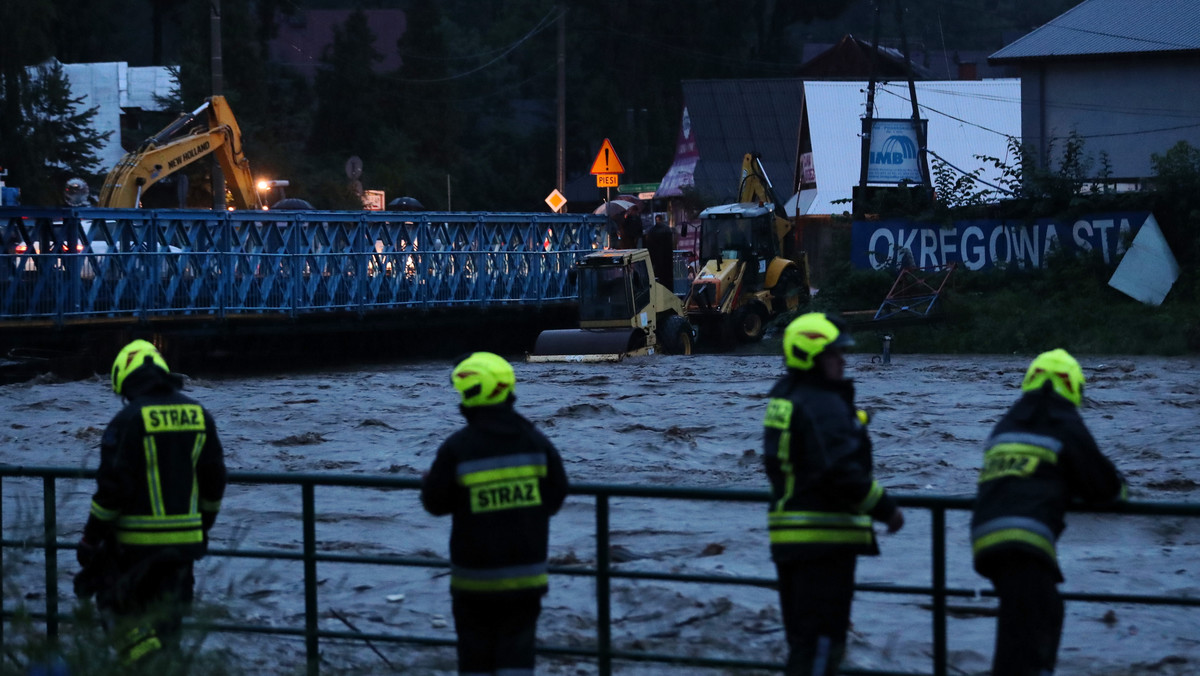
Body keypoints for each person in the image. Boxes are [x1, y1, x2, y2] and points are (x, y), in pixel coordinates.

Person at [762, 313, 904, 676]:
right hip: (823, 542)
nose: (843, 361)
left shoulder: (785, 397)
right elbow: (842, 472)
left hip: (790, 539)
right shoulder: (821, 403)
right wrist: (887, 510)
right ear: (810, 356)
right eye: (834, 354)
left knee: (803, 646)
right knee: (823, 649)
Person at [971, 348, 1126, 676]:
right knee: (1034, 630)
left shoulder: (1007, 421)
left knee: (1028, 621)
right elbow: (1105, 487)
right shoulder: (1063, 421)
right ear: (1074, 387)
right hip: (1025, 541)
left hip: (985, 538)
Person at [75, 339, 227, 664]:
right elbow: (214, 484)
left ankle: (146, 666)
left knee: (117, 614)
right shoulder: (199, 415)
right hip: (184, 549)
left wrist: (90, 539)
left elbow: (111, 490)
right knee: (168, 627)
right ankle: (164, 664)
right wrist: (202, 525)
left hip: (135, 550)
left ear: (126, 381)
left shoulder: (128, 420)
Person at [421, 352, 569, 675]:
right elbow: (556, 494)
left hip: (473, 582)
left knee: (475, 663)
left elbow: (434, 503)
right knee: (517, 661)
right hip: (525, 579)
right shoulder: (536, 443)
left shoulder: (457, 447)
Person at [644, 214, 675, 291]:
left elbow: (649, 245)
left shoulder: (652, 231)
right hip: (667, 260)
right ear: (662, 219)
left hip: (656, 260)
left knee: (658, 280)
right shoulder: (667, 230)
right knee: (668, 281)